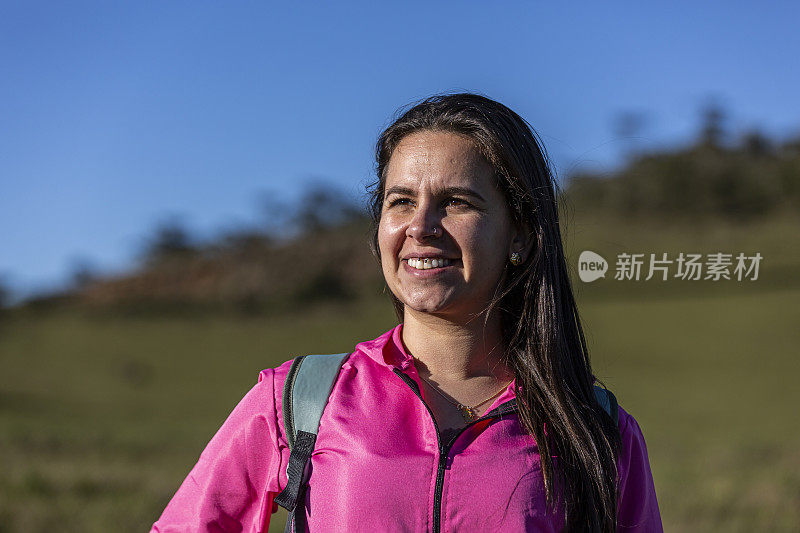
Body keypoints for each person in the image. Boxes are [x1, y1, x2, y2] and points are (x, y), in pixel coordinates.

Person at [151, 93, 662, 532]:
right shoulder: (297, 401)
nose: (421, 226)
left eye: (457, 202)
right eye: (401, 201)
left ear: (521, 235)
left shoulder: (597, 429)